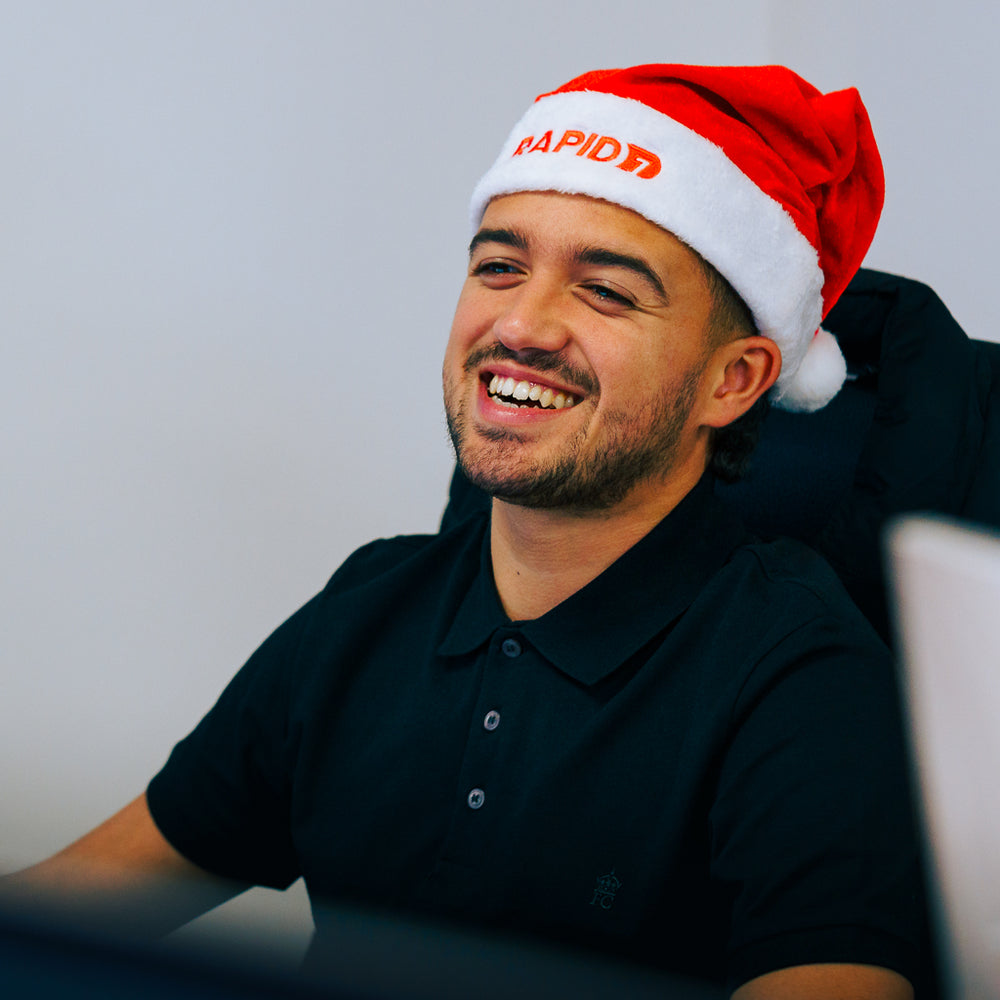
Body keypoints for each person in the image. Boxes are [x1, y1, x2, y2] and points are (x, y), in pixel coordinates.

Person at [3, 65, 931, 998]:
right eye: (498, 266)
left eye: (605, 291)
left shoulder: (801, 675)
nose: (520, 324)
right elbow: (72, 909)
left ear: (733, 381)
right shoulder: (369, 606)